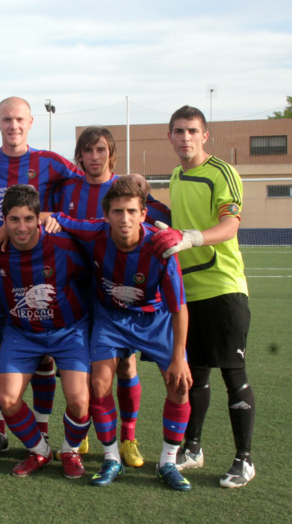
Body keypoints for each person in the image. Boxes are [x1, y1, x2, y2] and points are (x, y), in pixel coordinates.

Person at [48, 176, 193, 491]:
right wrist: (4, 229)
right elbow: (50, 216)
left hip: (155, 320)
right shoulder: (94, 232)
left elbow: (179, 308)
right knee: (99, 384)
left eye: (131, 211)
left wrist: (179, 358)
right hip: (111, 319)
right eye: (117, 211)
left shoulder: (161, 247)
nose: (124, 218)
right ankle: (111, 458)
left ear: (143, 214)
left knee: (180, 385)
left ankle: (168, 462)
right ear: (106, 215)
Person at [0, 97, 84, 458]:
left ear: (31, 122)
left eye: (19, 119)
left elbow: (91, 182)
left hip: (38, 266)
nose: (13, 125)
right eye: (6, 119)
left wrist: (41, 216)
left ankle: (42, 429)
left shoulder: (51, 161)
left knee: (44, 356)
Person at [52, 127, 171, 467]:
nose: (94, 157)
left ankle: (128, 438)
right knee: (84, 368)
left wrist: (155, 203)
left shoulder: (126, 189)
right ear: (79, 156)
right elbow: (50, 218)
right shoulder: (67, 189)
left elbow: (163, 218)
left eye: (101, 150)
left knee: (125, 365)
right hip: (76, 289)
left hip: (118, 293)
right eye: (88, 151)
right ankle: (83, 431)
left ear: (111, 154)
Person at [151, 105, 256, 489]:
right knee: (193, 375)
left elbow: (230, 225)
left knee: (234, 374)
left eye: (192, 131)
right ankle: (192, 448)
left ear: (205, 135)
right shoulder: (176, 175)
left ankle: (244, 459)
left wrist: (192, 237)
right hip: (187, 290)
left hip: (223, 287)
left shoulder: (222, 173)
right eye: (179, 131)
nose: (185, 137)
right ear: (170, 136)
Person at [0, 184, 91, 478]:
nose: (22, 227)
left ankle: (70, 450)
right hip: (22, 333)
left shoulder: (64, 246)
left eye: (29, 219)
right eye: (14, 220)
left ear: (39, 218)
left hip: (68, 331)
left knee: (79, 401)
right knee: (7, 399)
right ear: (3, 221)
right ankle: (40, 451)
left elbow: (93, 272)